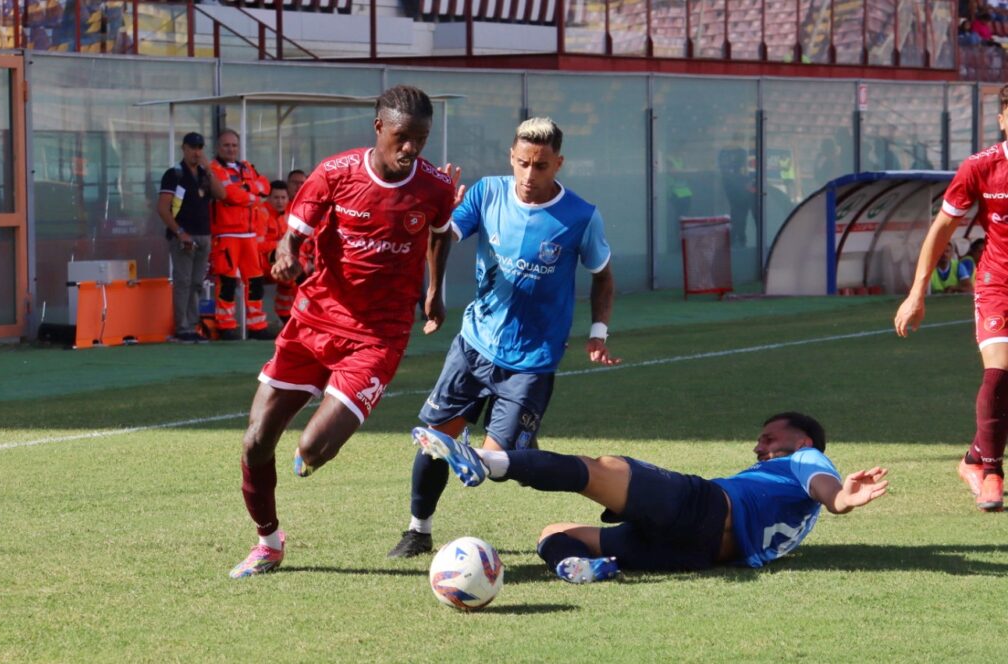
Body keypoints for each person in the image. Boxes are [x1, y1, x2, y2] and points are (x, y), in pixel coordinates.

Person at [229, 85, 460, 579]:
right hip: (312, 321)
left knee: (313, 449)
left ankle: (309, 455)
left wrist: (435, 290)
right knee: (254, 442)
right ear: (379, 128)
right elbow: (295, 231)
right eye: (402, 137)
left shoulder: (436, 187)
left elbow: (440, 236)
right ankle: (268, 542)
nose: (411, 149)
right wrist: (288, 252)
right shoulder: (336, 173)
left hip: (379, 336)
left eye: (420, 138)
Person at [387, 117, 620, 559]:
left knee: (495, 465)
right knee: (435, 441)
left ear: (559, 164)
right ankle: (419, 530)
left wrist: (597, 333)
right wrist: (437, 221)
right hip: (474, 345)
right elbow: (445, 235)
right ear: (511, 158)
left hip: (531, 361)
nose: (530, 176)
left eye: (542, 166)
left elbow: (602, 277)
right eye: (523, 163)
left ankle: (478, 452)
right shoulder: (486, 193)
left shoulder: (581, 216)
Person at [412, 412, 889, 581]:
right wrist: (835, 502)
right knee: (553, 533)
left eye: (768, 438)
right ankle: (578, 569)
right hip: (699, 553)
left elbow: (828, 490)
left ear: (802, 442)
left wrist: (842, 499)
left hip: (702, 506)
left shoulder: (805, 462)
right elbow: (821, 498)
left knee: (602, 469)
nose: (759, 446)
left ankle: (488, 462)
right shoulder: (798, 509)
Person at [894, 83, 1008, 512]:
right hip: (999, 283)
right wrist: (917, 293)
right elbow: (941, 230)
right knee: (999, 371)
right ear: (1002, 119)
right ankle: (992, 472)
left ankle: (972, 458)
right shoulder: (981, 168)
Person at [156, 132, 225, 343]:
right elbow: (163, 208)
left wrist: (210, 170)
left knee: (196, 282)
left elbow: (222, 195)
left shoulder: (204, 174)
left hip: (203, 234)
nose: (197, 152)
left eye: (200, 148)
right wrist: (179, 232)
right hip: (184, 236)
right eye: (192, 148)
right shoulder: (174, 174)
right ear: (184, 149)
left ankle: (193, 325)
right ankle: (182, 326)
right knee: (183, 281)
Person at [208, 129, 273, 341]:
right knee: (226, 281)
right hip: (226, 233)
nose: (231, 149)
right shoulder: (214, 169)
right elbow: (229, 194)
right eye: (226, 145)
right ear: (218, 147)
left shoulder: (247, 166)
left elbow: (265, 186)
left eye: (234, 145)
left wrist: (246, 188)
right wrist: (252, 196)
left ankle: (257, 325)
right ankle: (226, 326)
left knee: (255, 281)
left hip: (250, 234)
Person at [258, 180, 295, 323]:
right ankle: (286, 316)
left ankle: (288, 315)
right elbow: (257, 246)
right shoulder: (262, 213)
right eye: (276, 197)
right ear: (268, 198)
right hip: (261, 263)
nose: (280, 201)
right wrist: (280, 244)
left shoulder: (289, 214)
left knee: (298, 271)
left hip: (278, 260)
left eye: (283, 198)